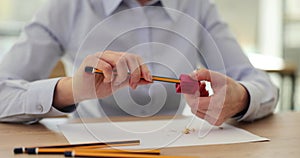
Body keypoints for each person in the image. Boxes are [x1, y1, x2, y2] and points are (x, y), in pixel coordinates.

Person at [0, 0, 278, 126]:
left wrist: (240, 97)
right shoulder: (67, 7)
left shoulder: (197, 6)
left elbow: (260, 84)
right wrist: (73, 89)